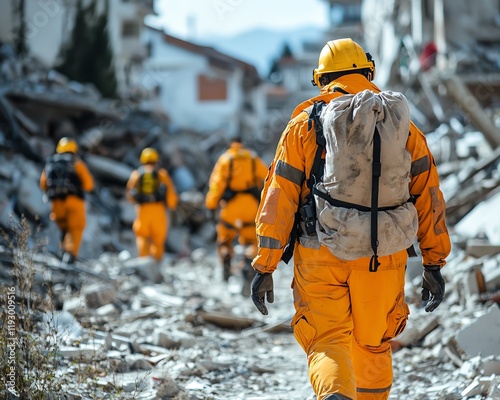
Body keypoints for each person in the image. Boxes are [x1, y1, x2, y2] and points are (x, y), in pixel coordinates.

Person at [250, 38, 451, 400]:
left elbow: (278, 196)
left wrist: (265, 266)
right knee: (373, 345)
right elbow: (429, 195)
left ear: (322, 79)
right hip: (383, 256)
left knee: (327, 340)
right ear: (368, 71)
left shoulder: (304, 124)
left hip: (320, 253)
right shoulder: (400, 123)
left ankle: (335, 395)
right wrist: (434, 262)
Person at [205, 136, 268, 295]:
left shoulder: (226, 159)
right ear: (243, 143)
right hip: (250, 207)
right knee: (250, 240)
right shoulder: (253, 158)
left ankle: (226, 264)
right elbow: (268, 177)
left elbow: (216, 184)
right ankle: (248, 264)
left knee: (225, 238)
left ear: (230, 144)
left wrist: (211, 204)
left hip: (231, 208)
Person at [40, 137, 95, 264]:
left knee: (64, 229)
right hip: (74, 201)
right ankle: (69, 255)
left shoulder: (50, 163)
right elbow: (89, 185)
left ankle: (63, 251)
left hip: (56, 203)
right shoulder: (76, 163)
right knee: (75, 228)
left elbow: (43, 184)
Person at [126, 147, 178, 262]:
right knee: (158, 239)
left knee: (142, 237)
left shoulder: (136, 174)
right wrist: (172, 205)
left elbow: (130, 194)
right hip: (158, 209)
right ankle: (156, 263)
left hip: (142, 210)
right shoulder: (161, 174)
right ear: (156, 160)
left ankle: (143, 263)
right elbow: (171, 194)